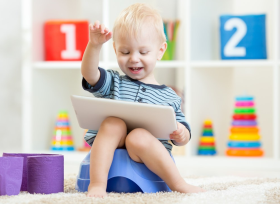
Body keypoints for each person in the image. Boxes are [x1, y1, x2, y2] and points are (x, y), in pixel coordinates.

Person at [81, 3, 205, 198]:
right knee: (112, 123)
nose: (134, 59)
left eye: (143, 52)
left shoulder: (169, 96)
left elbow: (183, 127)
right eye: (125, 52)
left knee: (138, 135)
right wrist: (94, 45)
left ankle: (178, 183)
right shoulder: (114, 82)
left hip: (146, 152)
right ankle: (97, 184)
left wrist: (182, 134)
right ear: (115, 50)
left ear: (160, 51)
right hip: (114, 143)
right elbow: (90, 75)